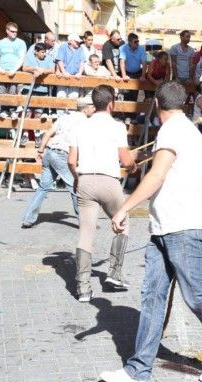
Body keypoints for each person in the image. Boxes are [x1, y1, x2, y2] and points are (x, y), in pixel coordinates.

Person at [99, 80, 202, 382]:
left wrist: (124, 208)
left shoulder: (169, 131)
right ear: (183, 103)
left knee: (196, 297)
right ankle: (139, 371)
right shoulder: (192, 131)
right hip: (166, 228)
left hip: (180, 230)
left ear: (157, 105)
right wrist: (190, 206)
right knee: (153, 296)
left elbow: (157, 174)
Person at [67, 85, 138, 302]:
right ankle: (114, 274)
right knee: (122, 224)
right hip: (109, 181)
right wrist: (134, 167)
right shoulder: (117, 127)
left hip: (86, 179)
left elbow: (71, 161)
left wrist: (78, 179)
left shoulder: (79, 127)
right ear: (111, 104)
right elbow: (126, 161)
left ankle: (83, 288)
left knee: (86, 233)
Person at [21, 97, 95, 228]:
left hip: (49, 151)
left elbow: (48, 133)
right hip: (62, 154)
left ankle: (28, 219)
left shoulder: (64, 117)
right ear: (86, 108)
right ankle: (84, 222)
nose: (94, 110)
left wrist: (40, 150)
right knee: (75, 188)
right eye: (92, 107)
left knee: (43, 187)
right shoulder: (85, 121)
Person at [0, 22, 27, 120]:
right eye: (12, 31)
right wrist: (0, 69)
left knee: (12, 90)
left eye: (16, 32)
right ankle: (4, 110)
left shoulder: (21, 43)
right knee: (2, 90)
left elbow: (22, 58)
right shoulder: (1, 43)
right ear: (7, 31)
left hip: (14, 71)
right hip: (3, 71)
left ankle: (12, 111)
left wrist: (14, 69)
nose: (14, 33)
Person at [22, 43, 55, 119]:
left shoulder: (48, 58)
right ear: (36, 52)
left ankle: (36, 130)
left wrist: (42, 71)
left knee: (38, 113)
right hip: (28, 88)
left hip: (42, 90)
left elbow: (52, 69)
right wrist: (35, 69)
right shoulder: (29, 57)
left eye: (45, 52)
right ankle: (26, 131)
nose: (44, 54)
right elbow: (24, 68)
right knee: (27, 113)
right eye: (42, 52)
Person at [55, 33, 85, 101]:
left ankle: (72, 111)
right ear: (71, 41)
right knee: (61, 97)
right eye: (77, 41)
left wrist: (80, 73)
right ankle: (60, 112)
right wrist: (64, 72)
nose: (78, 43)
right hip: (63, 76)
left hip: (75, 76)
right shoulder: (63, 47)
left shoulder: (81, 49)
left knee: (73, 97)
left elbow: (82, 61)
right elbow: (59, 60)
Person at [119, 33, 147, 101]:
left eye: (138, 41)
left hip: (137, 73)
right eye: (135, 42)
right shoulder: (123, 48)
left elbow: (144, 63)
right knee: (126, 94)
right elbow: (122, 62)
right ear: (130, 42)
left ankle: (133, 111)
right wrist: (124, 75)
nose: (137, 43)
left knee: (135, 94)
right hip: (127, 73)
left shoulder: (141, 49)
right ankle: (126, 111)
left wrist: (143, 76)